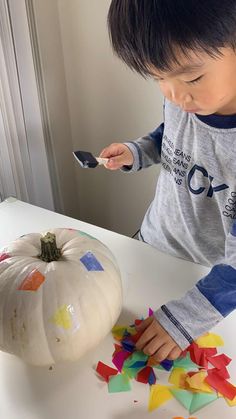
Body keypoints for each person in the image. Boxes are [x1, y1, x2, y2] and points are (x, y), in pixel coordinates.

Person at [99, 0, 236, 362]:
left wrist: (185, 320)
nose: (175, 95)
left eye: (191, 78)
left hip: (206, 285)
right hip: (151, 242)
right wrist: (137, 152)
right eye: (158, 77)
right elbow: (172, 137)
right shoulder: (188, 100)